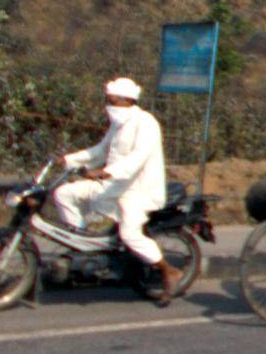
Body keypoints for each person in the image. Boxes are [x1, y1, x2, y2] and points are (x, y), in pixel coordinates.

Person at [53, 77, 184, 304]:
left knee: (129, 234)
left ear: (125, 100)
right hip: (114, 185)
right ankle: (83, 247)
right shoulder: (118, 123)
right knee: (64, 193)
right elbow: (99, 150)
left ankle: (167, 270)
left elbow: (138, 158)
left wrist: (106, 172)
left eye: (111, 101)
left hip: (137, 190)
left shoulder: (146, 122)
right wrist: (68, 160)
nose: (108, 105)